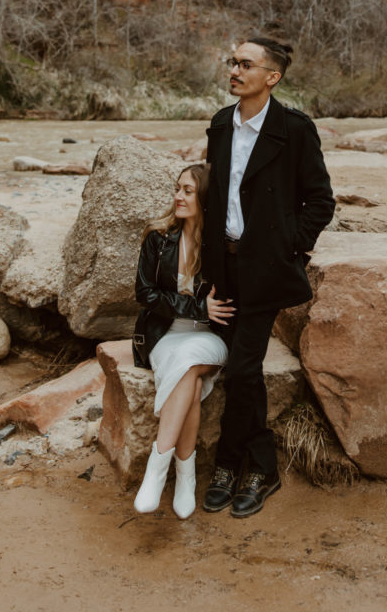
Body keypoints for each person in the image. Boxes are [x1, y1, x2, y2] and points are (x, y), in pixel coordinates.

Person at [201, 36, 335, 518]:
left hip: (265, 270)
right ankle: (252, 466)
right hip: (224, 266)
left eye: (245, 64)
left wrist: (287, 247)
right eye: (233, 62)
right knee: (242, 373)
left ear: (271, 77)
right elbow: (215, 195)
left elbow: (320, 200)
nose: (234, 70)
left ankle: (237, 464)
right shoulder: (220, 124)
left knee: (240, 369)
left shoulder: (294, 129)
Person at [132, 163, 234, 519]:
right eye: (177, 189)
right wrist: (195, 307)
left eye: (187, 191)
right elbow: (144, 294)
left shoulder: (223, 247)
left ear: (204, 198)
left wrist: (204, 313)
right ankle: (183, 474)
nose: (177, 196)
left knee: (191, 360)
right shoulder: (157, 238)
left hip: (209, 338)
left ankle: (156, 469)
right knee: (188, 380)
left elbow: (231, 303)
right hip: (165, 336)